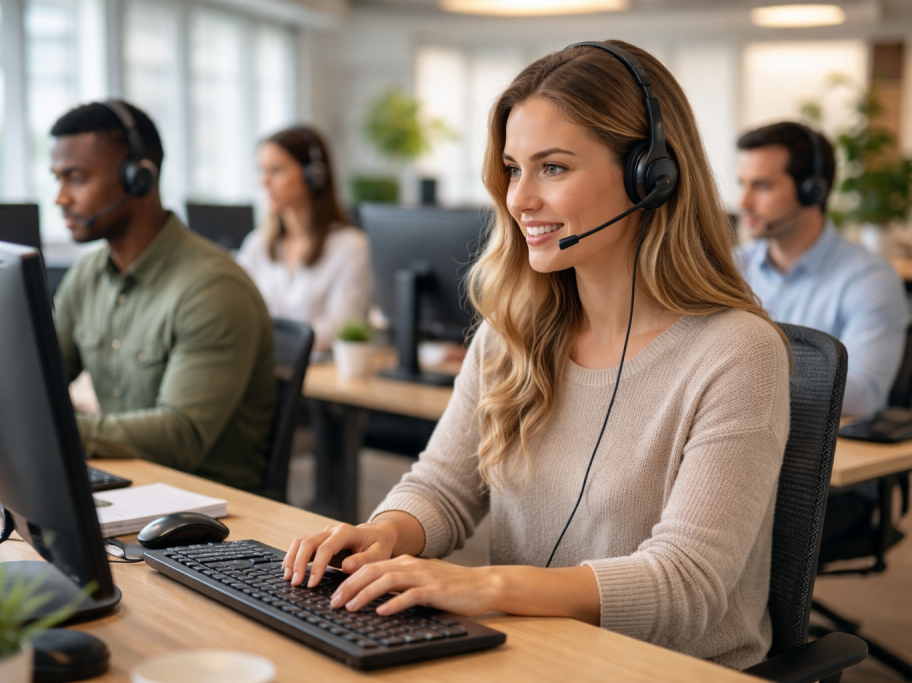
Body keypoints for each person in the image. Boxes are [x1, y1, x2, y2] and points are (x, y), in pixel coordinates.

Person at [283, 41, 791, 669]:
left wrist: (488, 586)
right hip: (533, 655)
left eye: (552, 167)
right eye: (512, 168)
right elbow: (443, 486)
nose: (519, 198)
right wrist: (384, 534)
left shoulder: (736, 353)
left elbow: (687, 583)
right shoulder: (513, 332)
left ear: (650, 176)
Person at [50, 100, 276, 491]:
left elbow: (180, 435)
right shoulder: (87, 275)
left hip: (206, 505)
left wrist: (56, 431)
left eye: (76, 178)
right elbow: (43, 377)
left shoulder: (212, 289)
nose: (61, 198)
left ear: (138, 178)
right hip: (128, 482)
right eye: (58, 179)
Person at [735, 121, 908, 418]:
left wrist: (739, 376)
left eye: (762, 186)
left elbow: (863, 393)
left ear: (812, 191)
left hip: (826, 444)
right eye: (742, 184)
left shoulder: (870, 279)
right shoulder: (731, 267)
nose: (744, 202)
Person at [237, 126, 372, 354]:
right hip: (264, 366)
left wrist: (265, 341)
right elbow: (235, 309)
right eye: (261, 170)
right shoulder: (257, 243)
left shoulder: (351, 246)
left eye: (276, 170)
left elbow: (340, 327)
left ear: (314, 175)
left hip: (318, 371)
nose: (264, 181)